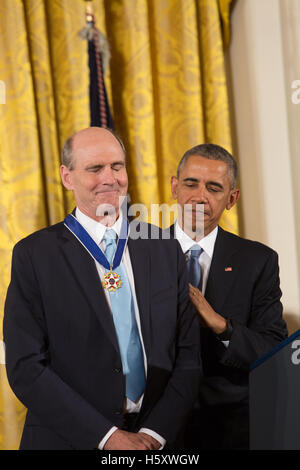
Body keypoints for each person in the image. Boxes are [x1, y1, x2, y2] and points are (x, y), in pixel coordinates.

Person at [3, 127, 201, 450]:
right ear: (67, 177)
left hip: (156, 442)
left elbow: (188, 359)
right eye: (95, 169)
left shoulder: (164, 248)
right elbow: (25, 367)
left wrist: (153, 434)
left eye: (117, 166)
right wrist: (107, 438)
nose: (110, 178)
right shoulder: (34, 256)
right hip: (71, 440)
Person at [170, 143, 288, 450]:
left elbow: (273, 350)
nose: (199, 197)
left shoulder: (257, 261)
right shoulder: (139, 254)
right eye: (190, 183)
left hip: (230, 426)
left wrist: (221, 324)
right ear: (174, 187)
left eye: (214, 188)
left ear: (231, 198)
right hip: (155, 424)